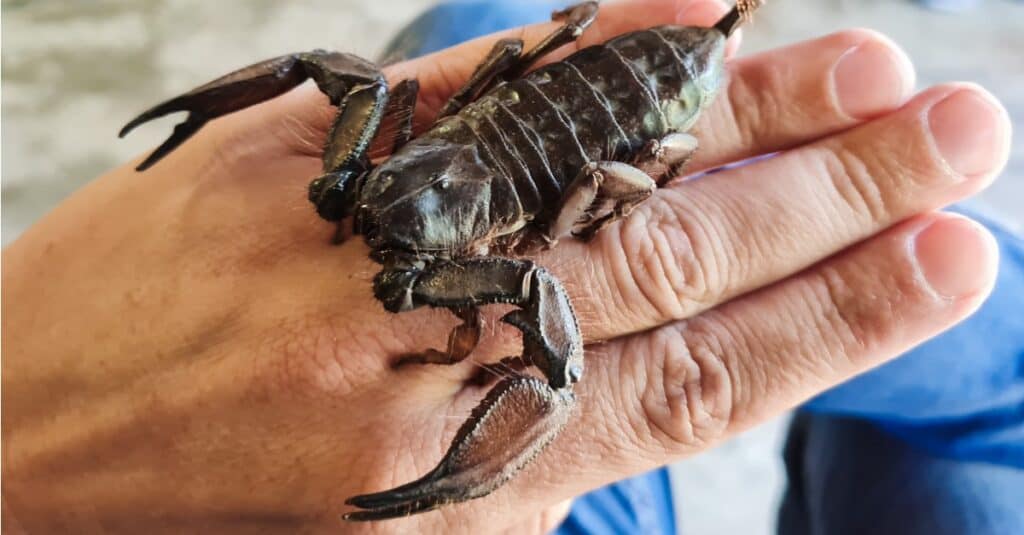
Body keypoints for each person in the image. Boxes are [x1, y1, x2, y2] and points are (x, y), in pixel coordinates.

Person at [1, 0, 1016, 533]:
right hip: (543, 114)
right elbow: (351, 87)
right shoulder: (410, 175)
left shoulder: (484, 230)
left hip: (594, 123)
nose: (359, 225)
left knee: (463, 35)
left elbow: (530, 270)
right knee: (464, 33)